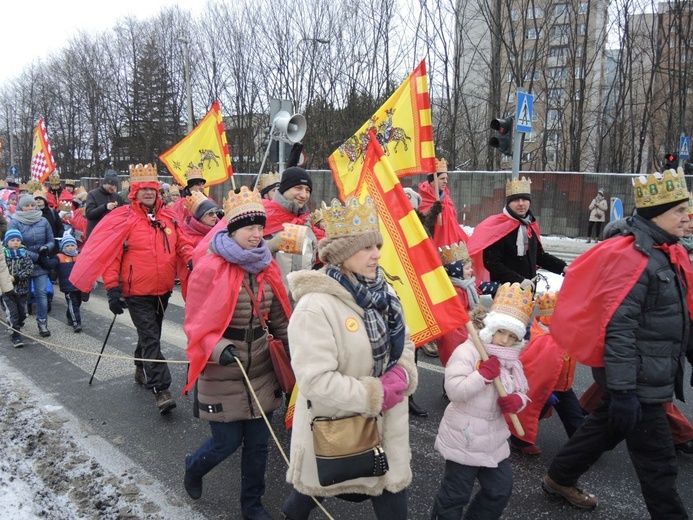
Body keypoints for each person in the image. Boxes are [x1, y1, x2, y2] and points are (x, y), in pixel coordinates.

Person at [543, 168, 692, 515]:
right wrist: (625, 391)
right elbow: (619, 329)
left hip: (645, 372)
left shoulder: (666, 250)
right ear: (657, 215)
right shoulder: (637, 259)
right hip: (637, 379)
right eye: (680, 211)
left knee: (604, 428)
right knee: (658, 463)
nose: (688, 217)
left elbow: (673, 315)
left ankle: (559, 477)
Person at [280, 196, 417, 520]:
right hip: (337, 426)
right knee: (316, 488)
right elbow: (315, 380)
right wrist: (375, 393)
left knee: (391, 494)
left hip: (388, 426)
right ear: (341, 256)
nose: (377, 255)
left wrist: (404, 371)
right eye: (366, 248)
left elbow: (406, 340)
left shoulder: (385, 291)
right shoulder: (315, 306)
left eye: (377, 246)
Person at [182, 186, 291, 520]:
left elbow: (280, 321)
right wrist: (219, 349)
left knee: (259, 447)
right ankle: (194, 467)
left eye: (261, 228)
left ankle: (252, 506)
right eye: (249, 228)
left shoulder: (267, 268)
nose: (257, 234)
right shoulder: (209, 268)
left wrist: (296, 354)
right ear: (231, 230)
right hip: (223, 371)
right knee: (225, 443)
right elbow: (194, 325)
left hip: (260, 369)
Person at [70, 163, 193, 413]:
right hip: (136, 291)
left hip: (163, 289)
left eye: (152, 189)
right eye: (143, 189)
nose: (148, 192)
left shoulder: (169, 218)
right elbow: (112, 256)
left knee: (152, 334)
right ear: (134, 192)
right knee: (150, 337)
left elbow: (184, 244)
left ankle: (140, 366)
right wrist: (113, 290)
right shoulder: (124, 219)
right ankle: (162, 389)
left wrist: (192, 259)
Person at [430, 282, 532, 520]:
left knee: (500, 490)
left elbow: (521, 390)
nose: (505, 341)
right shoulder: (468, 352)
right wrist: (482, 375)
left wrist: (518, 400)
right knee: (455, 495)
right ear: (490, 329)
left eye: (512, 336)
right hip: (464, 436)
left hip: (495, 437)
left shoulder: (511, 360)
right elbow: (454, 391)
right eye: (501, 332)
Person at [507, 291, 583, 456]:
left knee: (575, 419)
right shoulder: (543, 340)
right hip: (545, 388)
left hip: (563, 387)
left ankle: (581, 447)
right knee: (532, 412)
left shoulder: (565, 334)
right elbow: (533, 368)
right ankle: (518, 441)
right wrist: (544, 392)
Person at [468, 177, 567, 291]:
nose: (521, 204)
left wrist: (563, 267)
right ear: (509, 203)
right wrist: (519, 281)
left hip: (529, 289)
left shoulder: (530, 225)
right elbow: (492, 263)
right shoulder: (498, 227)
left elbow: (539, 256)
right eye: (516, 200)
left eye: (524, 200)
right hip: (505, 291)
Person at [262, 167, 322, 289]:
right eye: (298, 188)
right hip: (271, 301)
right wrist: (270, 245)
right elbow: (242, 253)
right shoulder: (262, 214)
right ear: (285, 188)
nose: (304, 195)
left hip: (300, 299)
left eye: (308, 190)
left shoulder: (305, 221)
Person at [8, 194, 55, 337]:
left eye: (32, 205)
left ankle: (42, 323)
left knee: (41, 294)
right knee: (22, 296)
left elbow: (51, 240)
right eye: (26, 205)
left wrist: (46, 248)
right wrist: (36, 256)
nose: (29, 208)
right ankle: (18, 323)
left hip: (41, 264)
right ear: (20, 207)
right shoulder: (15, 221)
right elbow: (14, 245)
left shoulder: (43, 220)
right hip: (22, 265)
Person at [177, 191, 221, 299]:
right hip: (193, 279)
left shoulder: (221, 232)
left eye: (216, 213)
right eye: (210, 214)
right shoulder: (187, 234)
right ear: (200, 216)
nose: (214, 217)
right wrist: (192, 260)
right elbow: (185, 248)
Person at [417, 159, 469, 248]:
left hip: (450, 246)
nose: (445, 181)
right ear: (432, 181)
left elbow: (454, 225)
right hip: (432, 246)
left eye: (446, 178)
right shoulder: (421, 199)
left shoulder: (447, 200)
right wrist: (433, 212)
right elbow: (423, 225)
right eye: (442, 178)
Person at [1, 229, 30, 348]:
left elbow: (29, 269)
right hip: (6, 289)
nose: (15, 242)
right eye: (12, 240)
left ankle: (18, 323)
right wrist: (8, 279)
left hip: (21, 288)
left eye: (18, 240)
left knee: (22, 312)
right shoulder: (3, 254)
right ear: (7, 242)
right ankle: (15, 336)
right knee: (12, 312)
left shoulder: (24, 254)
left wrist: (17, 277)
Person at [85, 170, 125, 237]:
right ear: (105, 183)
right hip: (96, 235)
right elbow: (89, 215)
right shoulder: (92, 194)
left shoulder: (117, 197)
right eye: (111, 185)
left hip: (112, 235)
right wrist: (105, 207)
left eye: (115, 185)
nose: (113, 188)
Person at [56, 234, 83, 333]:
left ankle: (69, 315)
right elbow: (51, 265)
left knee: (78, 302)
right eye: (67, 246)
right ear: (63, 247)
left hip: (79, 284)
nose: (70, 248)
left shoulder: (80, 255)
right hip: (67, 285)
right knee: (73, 303)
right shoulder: (59, 257)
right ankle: (76, 323)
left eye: (72, 245)